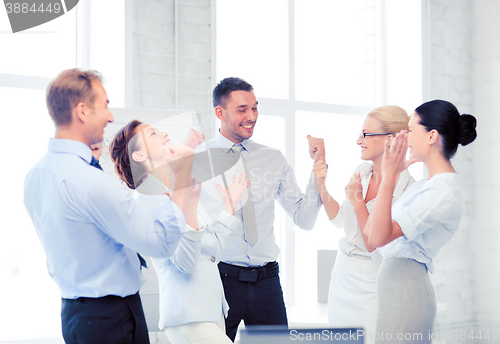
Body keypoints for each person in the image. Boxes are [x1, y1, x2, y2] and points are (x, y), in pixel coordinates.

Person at [23, 68, 198, 344]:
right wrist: (183, 176)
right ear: (82, 111)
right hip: (111, 319)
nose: (111, 116)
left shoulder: (36, 175)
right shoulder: (90, 182)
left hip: (74, 315)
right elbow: (162, 243)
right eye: (104, 105)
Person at [199, 77, 324, 341]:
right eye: (242, 109)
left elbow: (305, 219)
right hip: (220, 279)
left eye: (254, 108)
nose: (252, 116)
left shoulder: (273, 158)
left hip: (267, 282)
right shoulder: (198, 159)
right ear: (219, 113)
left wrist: (317, 170)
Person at [110, 119, 250, 344]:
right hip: (188, 315)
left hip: (211, 310)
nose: (163, 133)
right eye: (153, 134)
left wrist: (229, 208)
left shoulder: (181, 190)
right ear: (139, 155)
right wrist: (190, 211)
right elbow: (185, 263)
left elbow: (213, 252)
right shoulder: (146, 198)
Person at [362, 100, 477, 343]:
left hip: (407, 285)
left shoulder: (443, 192)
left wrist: (389, 178)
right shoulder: (427, 186)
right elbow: (372, 232)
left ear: (432, 135)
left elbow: (378, 236)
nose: (405, 137)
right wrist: (388, 177)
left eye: (411, 130)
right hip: (396, 283)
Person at [312, 106, 414, 342]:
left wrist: (357, 202)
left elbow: (374, 244)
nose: (359, 140)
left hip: (374, 280)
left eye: (365, 134)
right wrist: (322, 186)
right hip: (343, 275)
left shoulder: (407, 189)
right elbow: (341, 221)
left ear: (390, 140)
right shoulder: (362, 172)